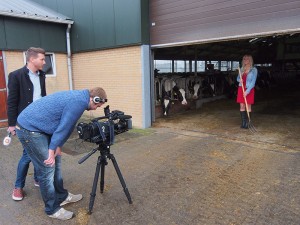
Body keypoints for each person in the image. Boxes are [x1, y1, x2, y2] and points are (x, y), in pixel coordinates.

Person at [15, 87, 107, 220]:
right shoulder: (79, 102)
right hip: (29, 129)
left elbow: (65, 126)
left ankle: (62, 196)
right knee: (47, 168)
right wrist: (51, 150)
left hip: (41, 127)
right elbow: (64, 127)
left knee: (56, 163)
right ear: (94, 99)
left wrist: (57, 146)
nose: (96, 108)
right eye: (97, 105)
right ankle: (52, 209)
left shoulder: (80, 98)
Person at [7, 47, 47, 201]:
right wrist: (11, 124)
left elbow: (43, 97)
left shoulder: (42, 75)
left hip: (41, 120)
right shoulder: (16, 76)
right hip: (25, 122)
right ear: (32, 59)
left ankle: (37, 177)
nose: (44, 62)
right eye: (42, 59)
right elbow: (12, 102)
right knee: (28, 155)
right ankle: (18, 187)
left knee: (41, 150)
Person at [236, 55, 258, 128]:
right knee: (242, 105)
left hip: (249, 89)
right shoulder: (241, 69)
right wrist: (240, 80)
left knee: (248, 106)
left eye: (247, 59)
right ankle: (243, 123)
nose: (245, 60)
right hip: (241, 88)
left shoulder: (254, 69)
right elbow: (237, 78)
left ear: (250, 60)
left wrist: (247, 91)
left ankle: (248, 123)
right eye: (244, 59)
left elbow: (253, 82)